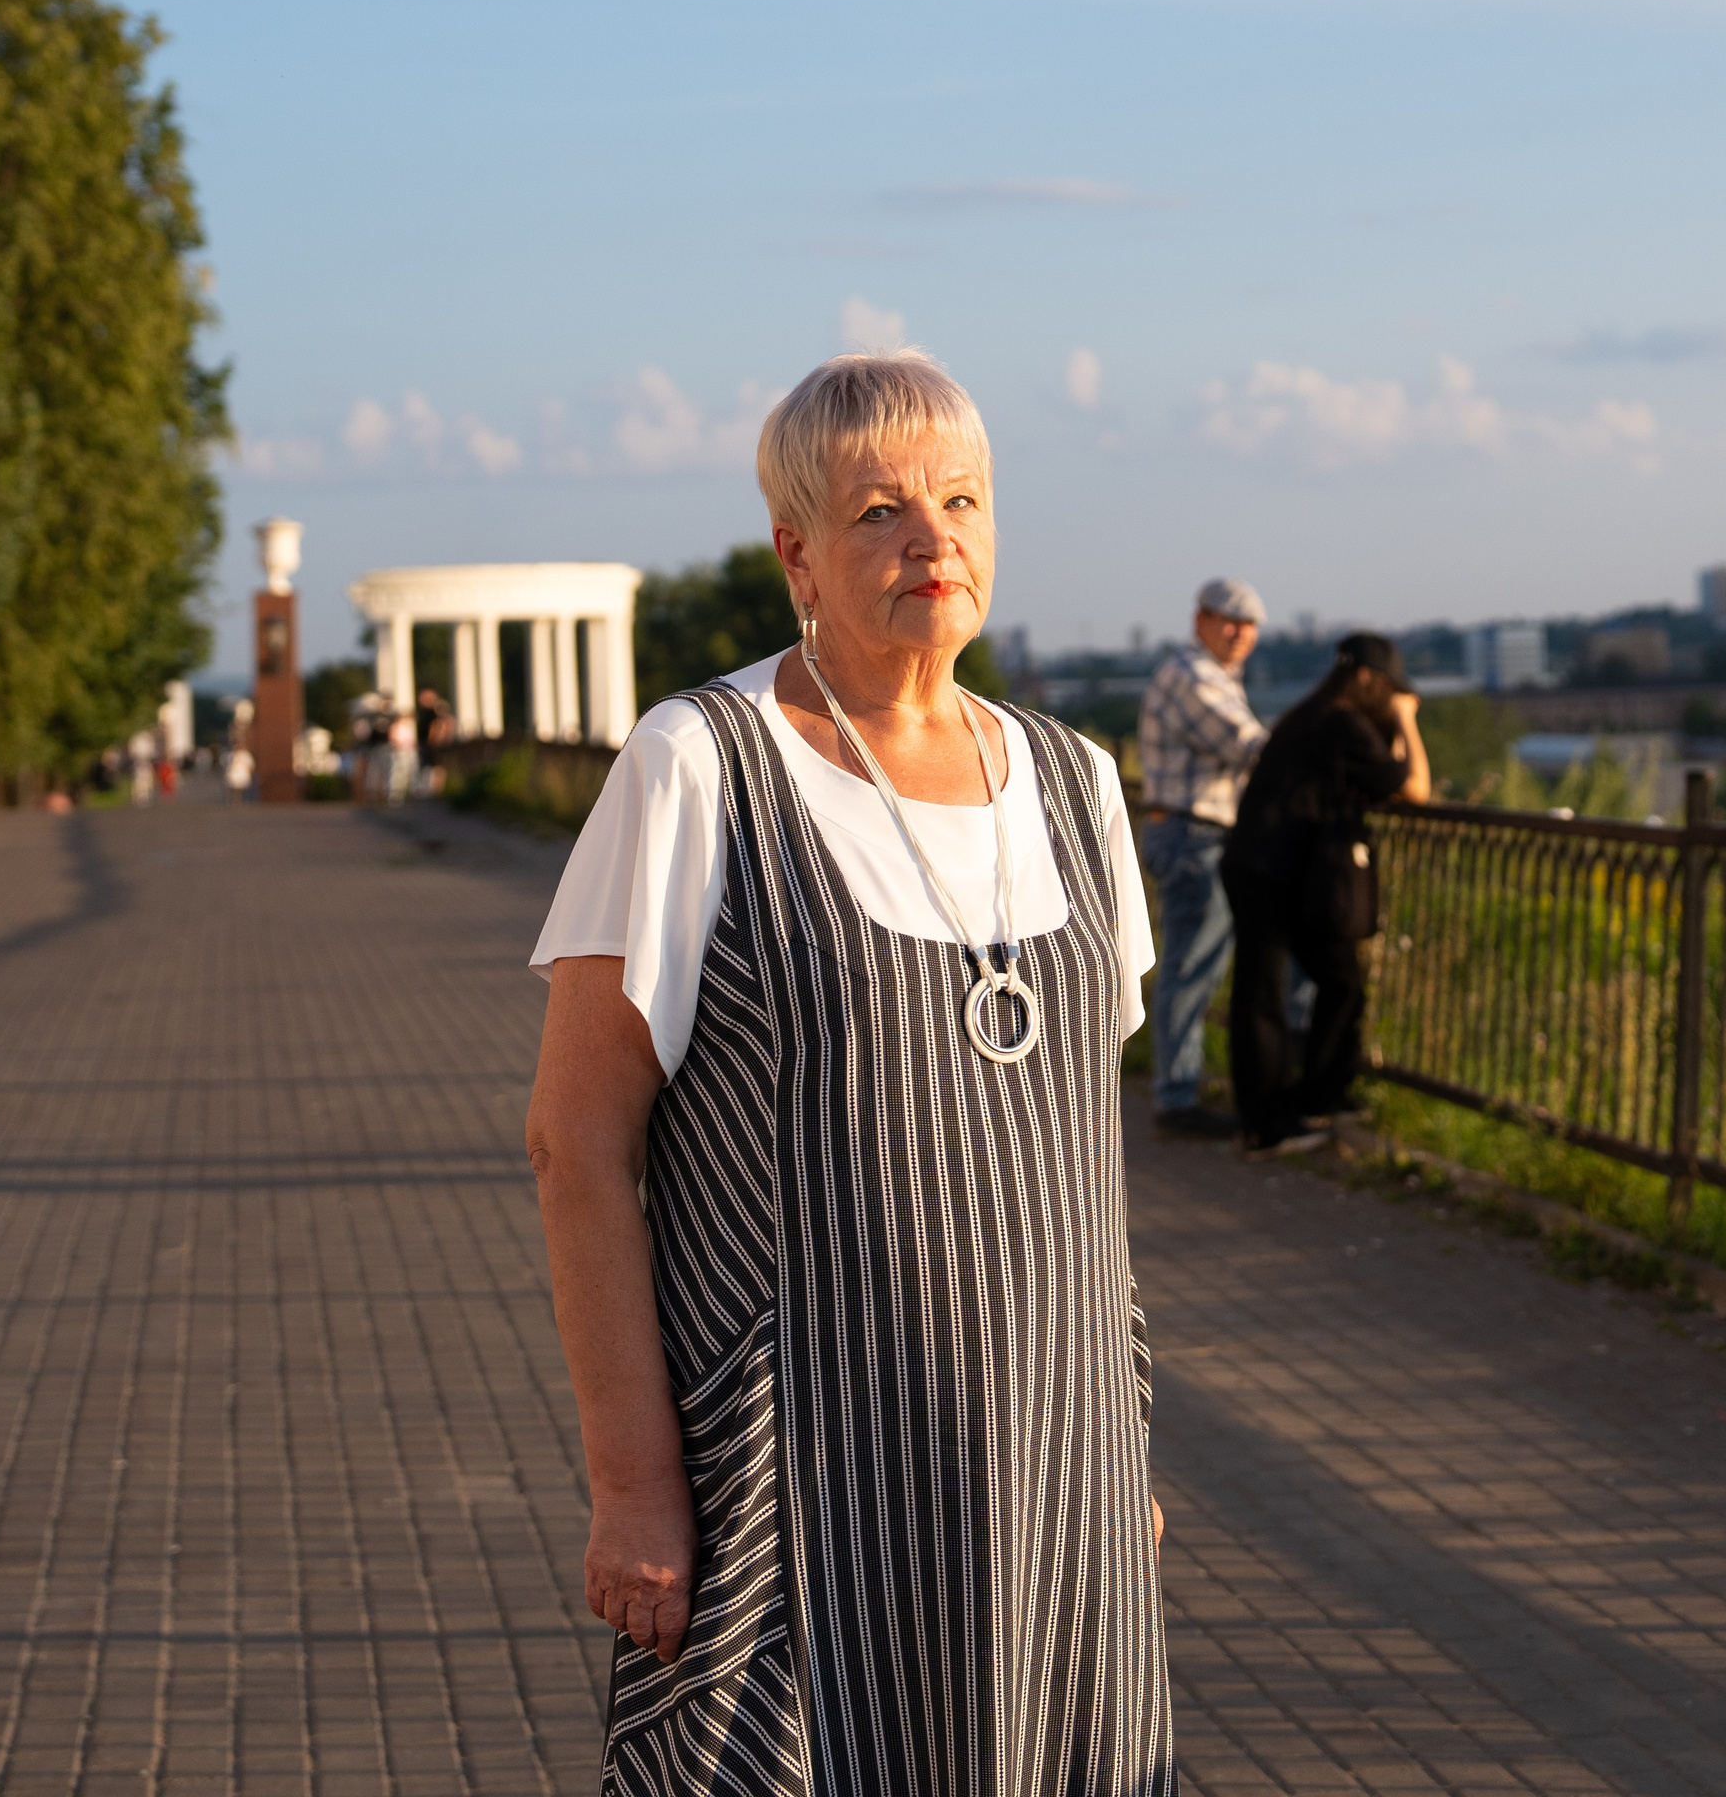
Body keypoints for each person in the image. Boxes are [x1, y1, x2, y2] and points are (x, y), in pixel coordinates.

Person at [524, 349, 1172, 1796]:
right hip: (796, 1481)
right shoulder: (702, 763)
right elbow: (579, 1145)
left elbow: (1086, 1165)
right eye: (881, 510)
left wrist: (1119, 1440)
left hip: (1047, 1465)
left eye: (962, 501)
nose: (932, 541)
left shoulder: (1075, 782)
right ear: (795, 551)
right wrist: (634, 1486)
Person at [1220, 632, 1432, 1154]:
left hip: (1275, 868)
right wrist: (1406, 719)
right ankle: (1268, 1123)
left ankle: (1314, 1098)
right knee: (1266, 993)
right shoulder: (1339, 721)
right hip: (1271, 871)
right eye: (1390, 689)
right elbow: (1412, 786)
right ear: (1367, 679)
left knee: (1335, 982)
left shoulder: (1313, 715)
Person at [1135, 576, 1267, 1138]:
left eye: (1250, 624)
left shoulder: (1212, 675)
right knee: (1190, 968)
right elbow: (1251, 747)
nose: (1239, 633)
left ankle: (1180, 1089)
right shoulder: (1193, 677)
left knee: (1193, 964)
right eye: (1227, 620)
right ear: (1201, 622)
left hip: (1194, 832)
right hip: (1195, 835)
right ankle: (1177, 1098)